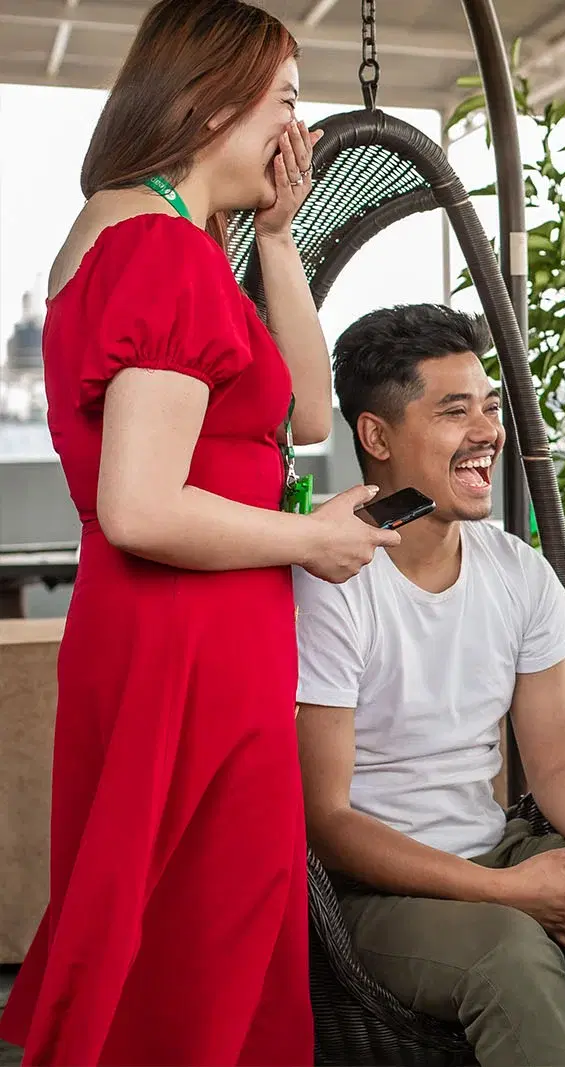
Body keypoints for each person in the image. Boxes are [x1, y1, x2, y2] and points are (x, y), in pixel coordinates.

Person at [0, 3, 398, 1064]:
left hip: (162, 632)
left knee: (166, 924)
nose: (293, 131)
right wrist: (307, 538)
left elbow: (306, 416)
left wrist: (275, 237)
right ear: (209, 103)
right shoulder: (162, 255)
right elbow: (140, 506)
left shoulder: (141, 236)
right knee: (205, 936)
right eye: (285, 102)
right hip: (192, 640)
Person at [293, 304, 565, 1067]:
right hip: (373, 899)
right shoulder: (333, 583)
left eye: (490, 408)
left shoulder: (515, 569)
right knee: (510, 950)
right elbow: (326, 820)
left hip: (496, 854)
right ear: (376, 435)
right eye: (454, 410)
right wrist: (509, 893)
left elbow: (561, 761)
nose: (489, 431)